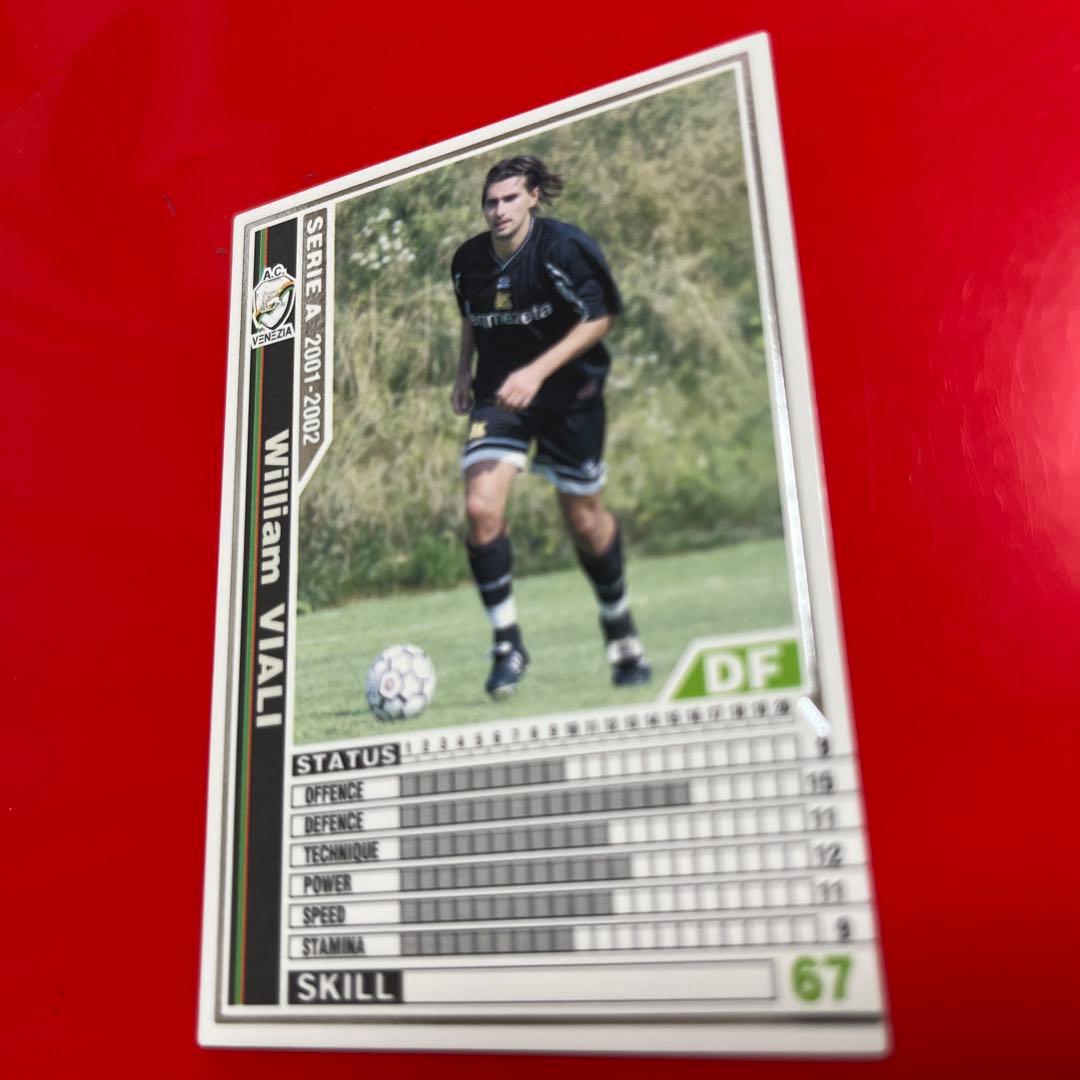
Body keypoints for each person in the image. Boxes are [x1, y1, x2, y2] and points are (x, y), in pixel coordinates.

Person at [449, 155, 651, 699]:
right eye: (491, 202)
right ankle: (507, 645)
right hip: (500, 396)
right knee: (481, 508)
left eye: (510, 198)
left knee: (584, 519)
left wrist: (537, 372)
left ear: (533, 196)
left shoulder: (563, 248)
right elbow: (470, 315)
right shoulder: (468, 260)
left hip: (569, 397)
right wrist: (463, 373)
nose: (499, 210)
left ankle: (619, 626)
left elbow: (601, 316)